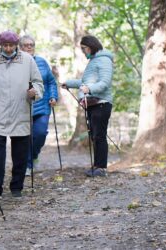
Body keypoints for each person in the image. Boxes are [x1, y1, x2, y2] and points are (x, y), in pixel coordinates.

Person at [0, 30, 44, 199]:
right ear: (0, 45)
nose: (8, 49)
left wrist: (35, 92)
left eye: (11, 45)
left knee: (20, 154)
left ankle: (17, 186)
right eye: (5, 46)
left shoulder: (28, 60)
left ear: (17, 45)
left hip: (21, 111)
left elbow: (39, 83)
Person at [62, 35, 113, 177]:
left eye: (84, 48)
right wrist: (69, 83)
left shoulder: (104, 60)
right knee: (95, 136)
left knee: (99, 136)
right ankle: (97, 166)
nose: (83, 51)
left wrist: (89, 90)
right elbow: (86, 82)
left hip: (101, 103)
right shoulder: (94, 61)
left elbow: (105, 83)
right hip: (93, 104)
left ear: (90, 46)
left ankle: (101, 168)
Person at [19, 35, 59, 176]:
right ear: (20, 47)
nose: (29, 47)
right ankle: (27, 165)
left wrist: (53, 96)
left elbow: (51, 82)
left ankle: (33, 156)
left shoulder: (42, 62)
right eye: (26, 45)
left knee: (40, 134)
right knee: (24, 138)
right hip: (22, 106)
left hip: (42, 105)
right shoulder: (16, 64)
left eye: (32, 45)